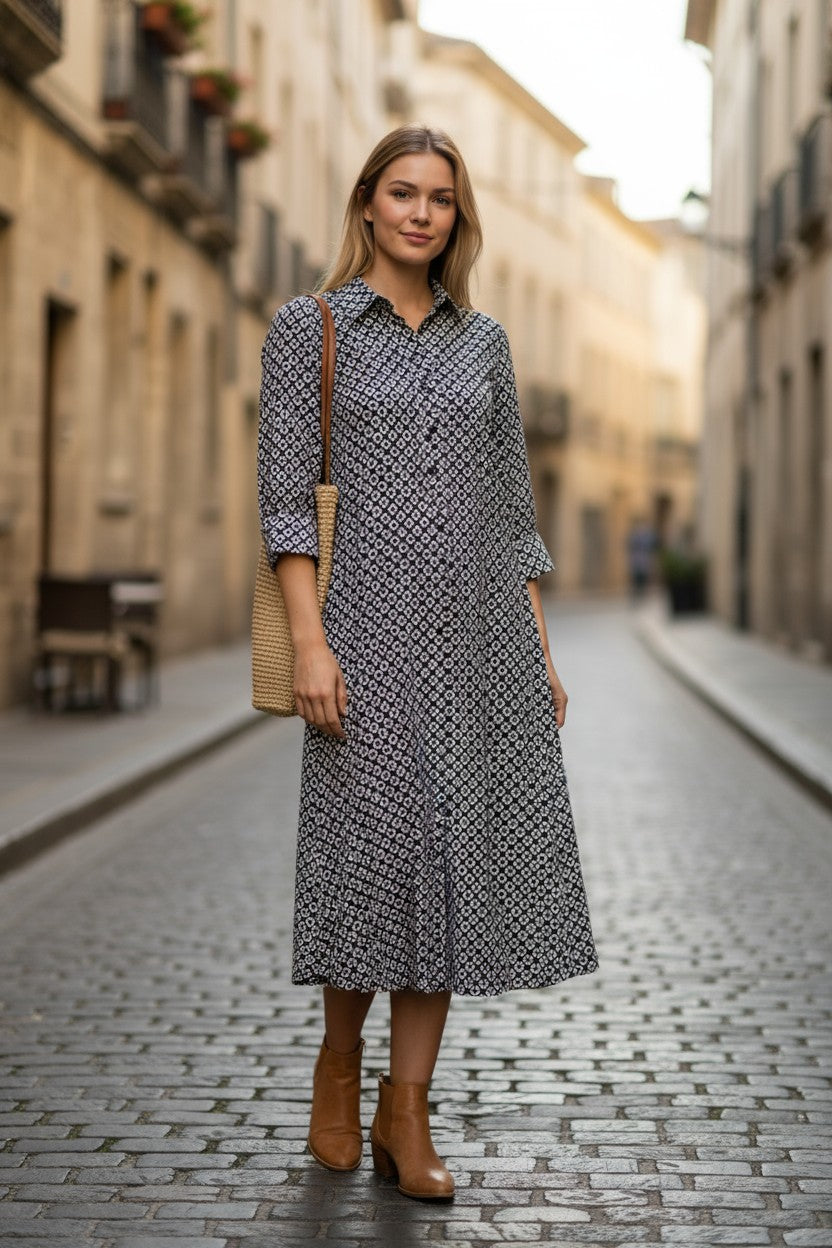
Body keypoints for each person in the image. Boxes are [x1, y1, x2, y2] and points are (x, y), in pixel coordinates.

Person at [257, 123, 598, 1202]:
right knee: (370, 861)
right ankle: (337, 1066)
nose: (419, 212)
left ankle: (408, 1110)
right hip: (358, 638)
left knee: (451, 868)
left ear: (457, 217)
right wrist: (310, 640)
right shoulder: (306, 328)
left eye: (439, 198)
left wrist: (536, 650)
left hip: (478, 645)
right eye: (400, 192)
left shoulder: (484, 343)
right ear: (365, 205)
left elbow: (512, 512)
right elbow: (284, 505)